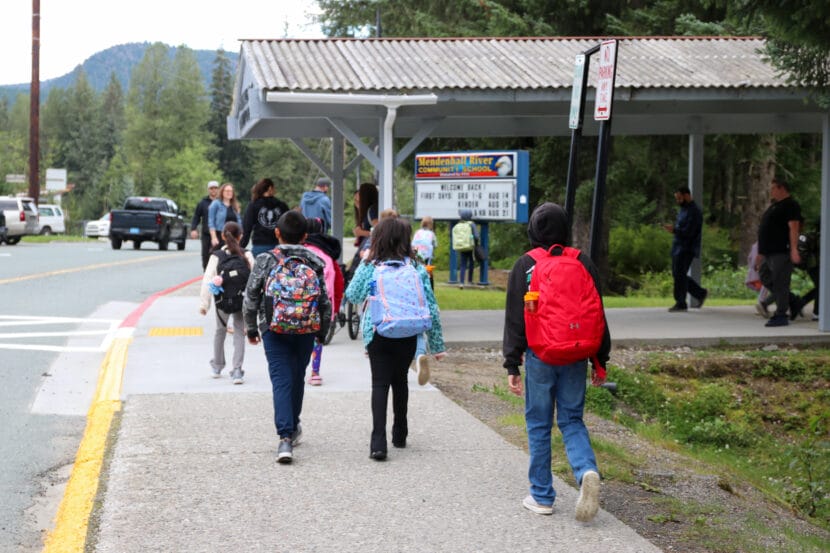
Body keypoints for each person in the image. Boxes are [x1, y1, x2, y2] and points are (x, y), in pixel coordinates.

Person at [503, 202, 610, 520]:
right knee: (572, 420)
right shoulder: (583, 262)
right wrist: (599, 359)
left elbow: (514, 320)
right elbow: (597, 314)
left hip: (540, 355)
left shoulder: (525, 265)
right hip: (576, 353)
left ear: (533, 230)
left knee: (538, 424)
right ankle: (586, 471)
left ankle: (542, 496)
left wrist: (512, 364)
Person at [345, 217, 446, 461]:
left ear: (377, 238)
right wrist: (437, 345)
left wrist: (364, 262)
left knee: (380, 384)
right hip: (409, 331)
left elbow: (353, 294)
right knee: (400, 381)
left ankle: (378, 443)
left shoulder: (371, 265)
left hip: (379, 331)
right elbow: (431, 306)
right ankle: (400, 433)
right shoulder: (416, 267)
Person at [243, 211, 331, 464]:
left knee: (281, 379)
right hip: (306, 328)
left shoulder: (265, 260)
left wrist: (251, 328)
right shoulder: (315, 260)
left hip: (273, 327)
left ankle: (285, 437)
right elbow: (324, 301)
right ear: (305, 236)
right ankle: (293, 426)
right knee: (297, 377)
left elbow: (251, 297)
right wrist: (321, 333)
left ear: (277, 233)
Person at [199, 221, 254, 384]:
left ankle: (217, 365)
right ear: (241, 236)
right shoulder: (247, 255)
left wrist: (204, 304)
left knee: (220, 330)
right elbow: (255, 280)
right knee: (239, 332)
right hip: (240, 299)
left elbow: (207, 280)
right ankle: (237, 370)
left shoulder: (217, 256)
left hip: (222, 300)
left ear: (223, 236)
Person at [755, 177, 802, 327]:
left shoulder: (790, 205)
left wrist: (794, 249)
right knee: (764, 276)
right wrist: (760, 253)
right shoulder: (775, 206)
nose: (771, 191)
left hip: (782, 250)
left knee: (780, 282)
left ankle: (781, 314)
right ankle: (793, 301)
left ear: (781, 188)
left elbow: (794, 227)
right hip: (768, 252)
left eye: (773, 188)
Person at [303, 217, 344, 386]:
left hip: (299, 302)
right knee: (317, 338)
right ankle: (315, 372)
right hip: (322, 303)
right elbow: (339, 283)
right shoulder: (328, 255)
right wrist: (335, 308)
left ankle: (297, 369)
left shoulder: (299, 251)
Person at [663, 186, 708, 312]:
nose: (678, 201)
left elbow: (690, 232)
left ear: (687, 195)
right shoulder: (683, 210)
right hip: (678, 246)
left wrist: (675, 230)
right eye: (677, 199)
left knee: (679, 274)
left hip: (687, 248)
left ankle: (681, 302)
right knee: (678, 274)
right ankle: (700, 293)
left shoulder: (695, 212)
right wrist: (675, 230)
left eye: (680, 198)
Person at [240, 178, 290, 257]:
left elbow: (247, 228)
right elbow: (289, 225)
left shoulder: (253, 205)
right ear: (270, 188)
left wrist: (241, 247)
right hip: (278, 246)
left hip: (259, 245)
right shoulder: (281, 206)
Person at [190, 180, 220, 269]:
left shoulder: (221, 202)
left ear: (218, 189)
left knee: (219, 255)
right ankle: (206, 275)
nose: (213, 190)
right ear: (208, 190)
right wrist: (193, 229)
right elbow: (196, 216)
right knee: (206, 255)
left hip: (219, 233)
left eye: (215, 188)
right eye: (211, 188)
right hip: (206, 234)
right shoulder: (203, 203)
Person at [208, 183, 240, 250]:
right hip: (220, 235)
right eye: (227, 191)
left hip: (234, 236)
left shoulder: (235, 205)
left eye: (231, 191)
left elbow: (239, 221)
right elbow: (211, 222)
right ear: (222, 192)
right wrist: (213, 237)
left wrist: (241, 234)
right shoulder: (216, 204)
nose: (229, 193)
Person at [453, 209, 478, 289]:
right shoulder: (471, 224)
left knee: (463, 265)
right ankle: (470, 281)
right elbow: (476, 236)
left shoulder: (458, 224)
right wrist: (476, 243)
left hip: (461, 246)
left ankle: (461, 282)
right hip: (470, 247)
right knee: (471, 263)